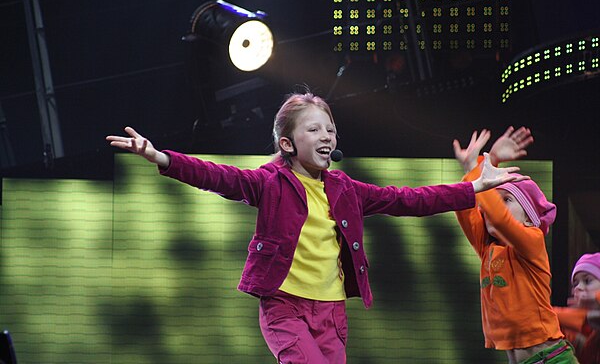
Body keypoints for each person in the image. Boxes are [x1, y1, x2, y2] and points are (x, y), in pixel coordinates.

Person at [107, 91, 524, 364]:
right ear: (287, 144)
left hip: (331, 312)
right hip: (284, 307)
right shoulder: (269, 183)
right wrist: (161, 158)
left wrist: (473, 187)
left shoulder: (344, 188)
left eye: (330, 129)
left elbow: (408, 200)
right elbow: (217, 175)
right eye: (314, 129)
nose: (326, 135)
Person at [453, 127, 580, 364]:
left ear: (529, 218)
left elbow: (500, 218)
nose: (490, 207)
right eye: (493, 199)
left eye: (507, 200)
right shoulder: (488, 250)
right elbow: (464, 210)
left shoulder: (532, 241)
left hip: (552, 359)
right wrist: (487, 162)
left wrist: (476, 169)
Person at [553, 253, 600, 364]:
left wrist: (596, 298)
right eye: (575, 284)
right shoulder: (568, 327)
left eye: (587, 281)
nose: (578, 287)